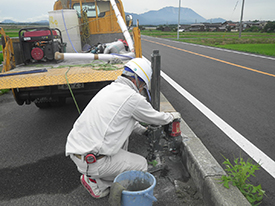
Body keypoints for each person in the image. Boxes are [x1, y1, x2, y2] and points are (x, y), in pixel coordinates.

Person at [65, 57, 180, 198]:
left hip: (78, 153)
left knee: (123, 139)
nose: (142, 87)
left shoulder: (110, 89)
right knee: (141, 165)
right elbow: (156, 117)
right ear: (136, 80)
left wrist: (143, 131)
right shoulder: (132, 98)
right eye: (142, 84)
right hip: (93, 161)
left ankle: (96, 178)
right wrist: (172, 116)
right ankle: (101, 184)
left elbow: (123, 120)